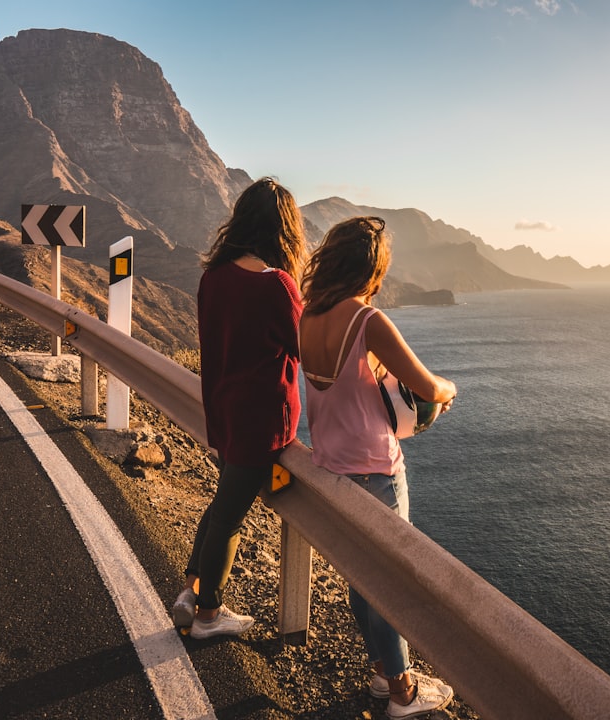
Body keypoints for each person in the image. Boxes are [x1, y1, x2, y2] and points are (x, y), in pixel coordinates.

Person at [298, 216, 457, 719]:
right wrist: (448, 390)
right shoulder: (367, 321)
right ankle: (403, 692)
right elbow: (427, 387)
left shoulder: (307, 316)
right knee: (390, 585)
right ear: (372, 268)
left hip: (329, 469)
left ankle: (382, 671)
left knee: (361, 580)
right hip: (376, 471)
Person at [171, 177, 307, 640]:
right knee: (229, 517)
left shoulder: (214, 278)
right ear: (284, 230)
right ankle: (208, 615)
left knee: (221, 504)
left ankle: (190, 591)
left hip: (223, 413)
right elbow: (307, 350)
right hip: (262, 424)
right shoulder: (278, 286)